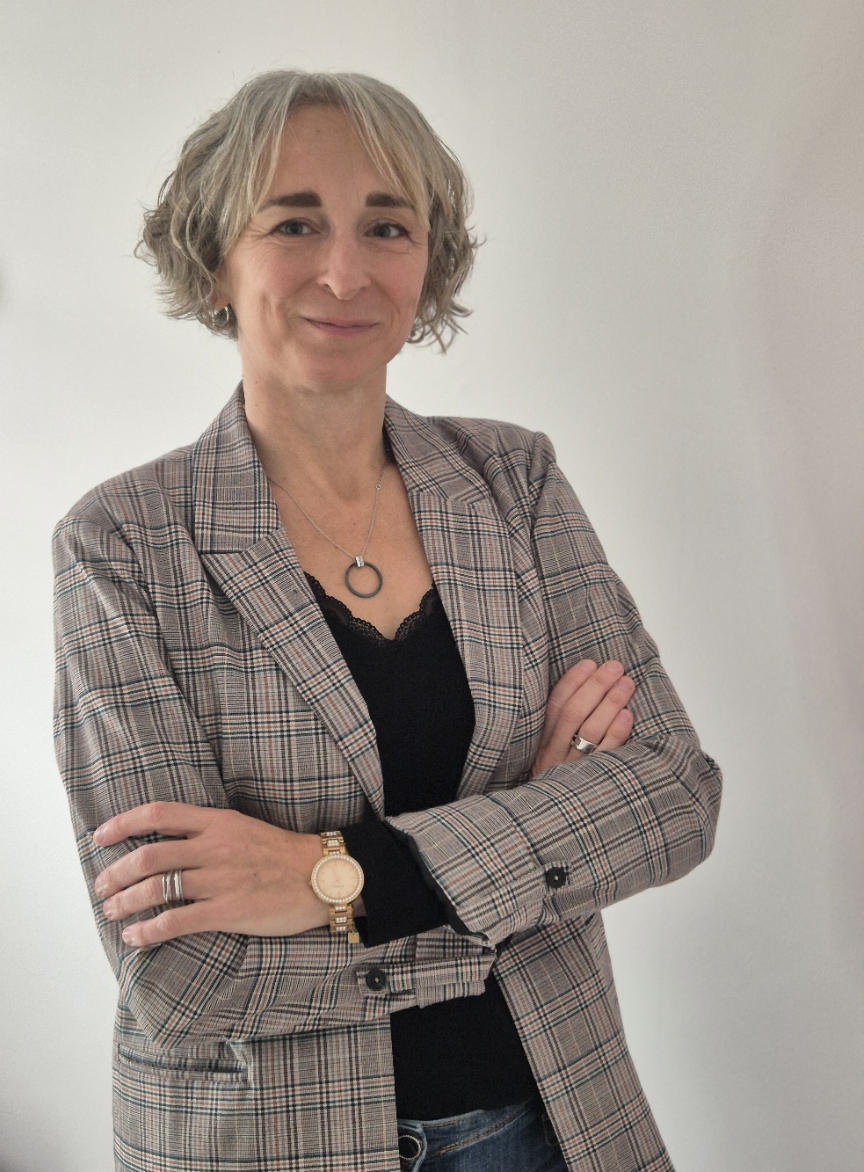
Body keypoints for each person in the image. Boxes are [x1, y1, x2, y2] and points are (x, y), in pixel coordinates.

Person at [52, 70, 721, 1172]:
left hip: (555, 1122)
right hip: (266, 1143)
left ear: (429, 261)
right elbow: (184, 972)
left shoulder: (512, 480)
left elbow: (673, 794)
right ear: (215, 260)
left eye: (387, 226)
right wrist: (530, 847)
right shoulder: (121, 542)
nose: (344, 270)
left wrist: (333, 877)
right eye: (294, 223)